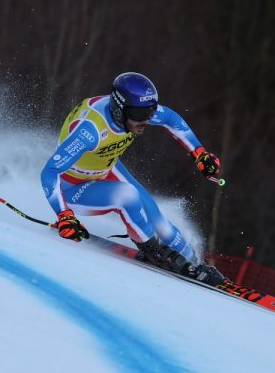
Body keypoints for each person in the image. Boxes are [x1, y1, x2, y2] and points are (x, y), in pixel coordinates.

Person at [40, 72, 225, 285]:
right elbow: (50, 171)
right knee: (128, 197)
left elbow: (171, 119)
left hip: (105, 167)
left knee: (158, 219)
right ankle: (152, 250)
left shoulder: (135, 112)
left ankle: (194, 263)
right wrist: (64, 215)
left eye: (150, 111)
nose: (146, 119)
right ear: (120, 110)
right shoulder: (90, 131)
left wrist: (200, 153)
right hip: (72, 188)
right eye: (140, 113)